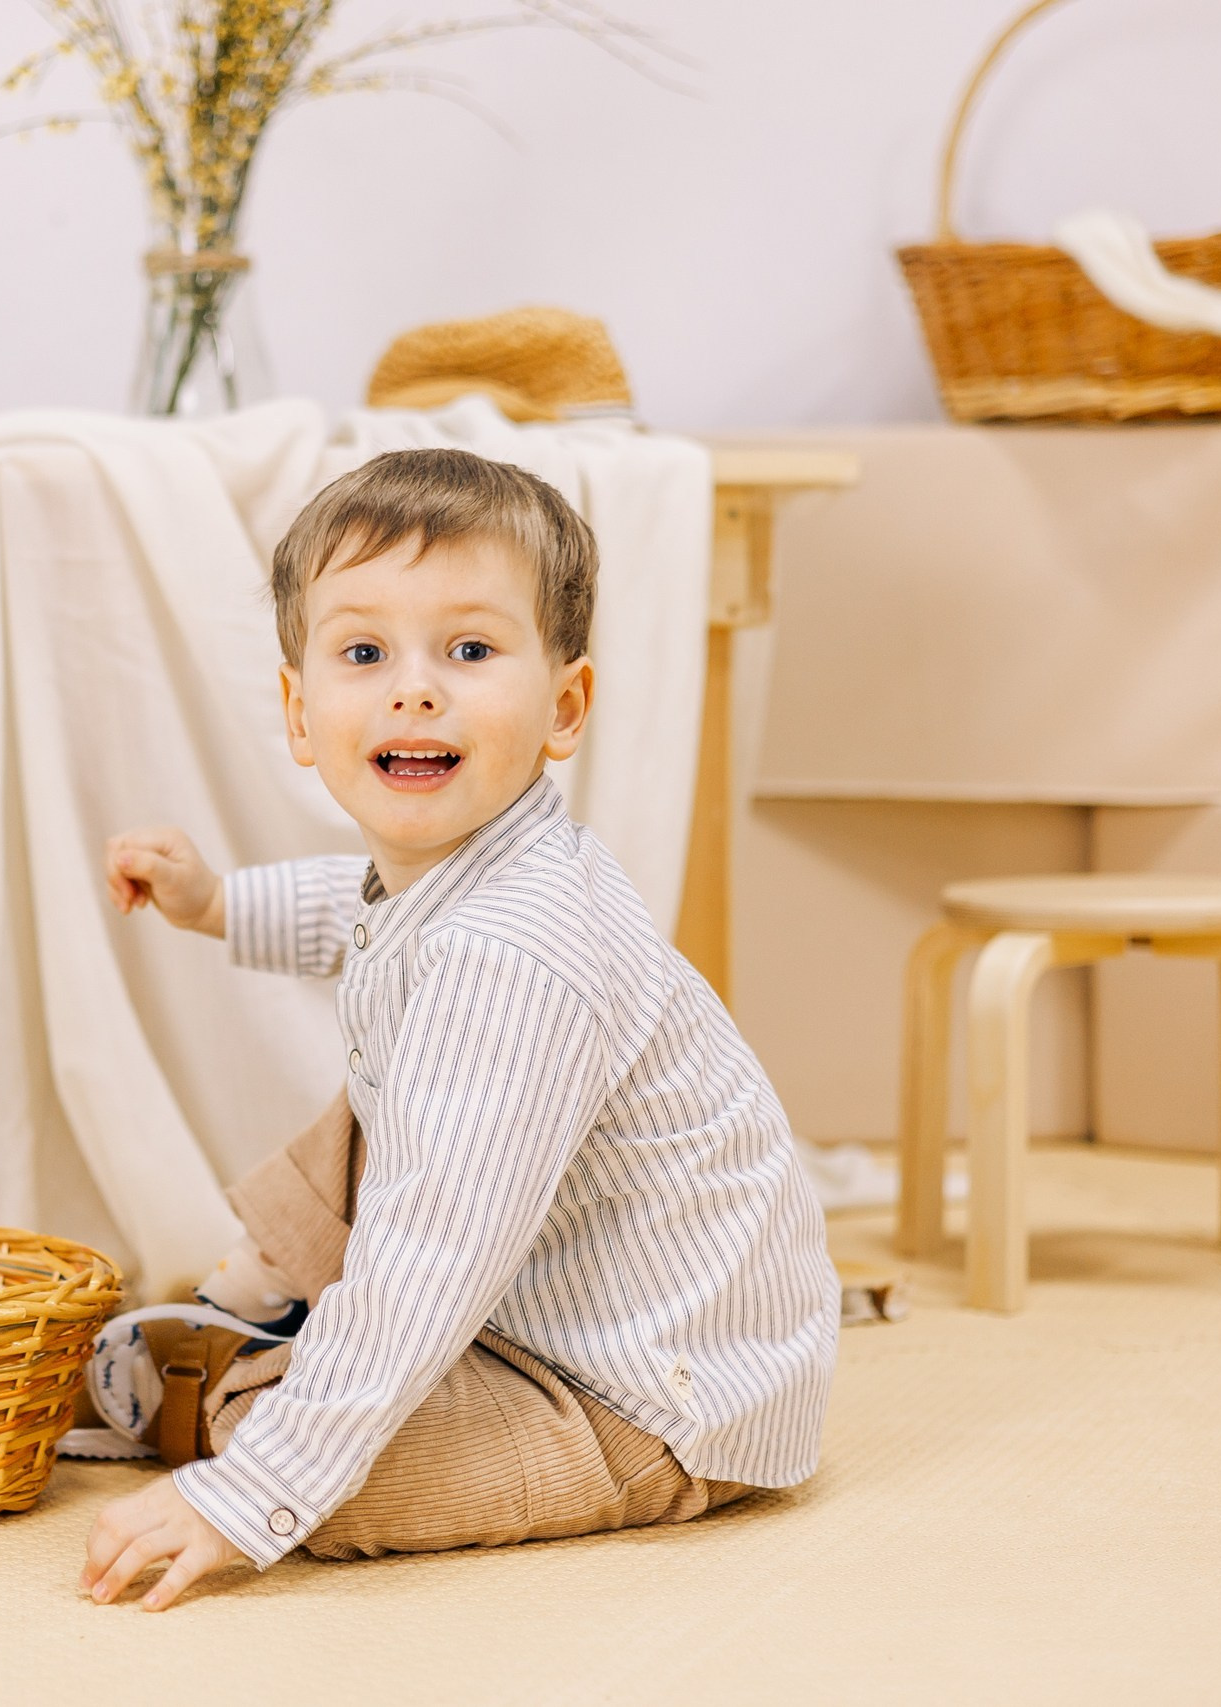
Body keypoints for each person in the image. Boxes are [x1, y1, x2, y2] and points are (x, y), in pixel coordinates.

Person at [82, 447, 837, 1610]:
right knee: (377, 1105)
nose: (414, 689)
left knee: (301, 1469)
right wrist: (218, 902)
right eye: (364, 653)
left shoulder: (513, 953)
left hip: (649, 1396)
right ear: (298, 710)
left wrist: (249, 1493)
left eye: (470, 651)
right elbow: (357, 909)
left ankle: (227, 1377)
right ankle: (275, 1313)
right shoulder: (458, 879)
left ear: (564, 708)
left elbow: (428, 1258)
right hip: (543, 1294)